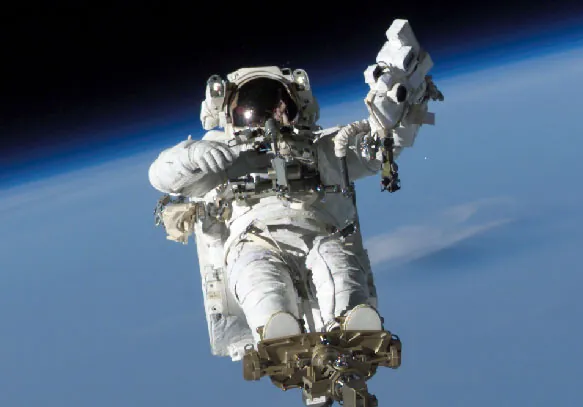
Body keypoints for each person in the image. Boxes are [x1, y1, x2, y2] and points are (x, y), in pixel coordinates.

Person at [148, 20, 438, 362]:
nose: (268, 120)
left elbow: (380, 149)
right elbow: (162, 176)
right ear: (230, 115)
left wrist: (398, 105)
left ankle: (352, 326)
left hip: (318, 232)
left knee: (338, 266)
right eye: (254, 110)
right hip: (252, 240)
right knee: (260, 281)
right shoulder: (218, 155)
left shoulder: (324, 146)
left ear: (295, 108)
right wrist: (192, 155)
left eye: (276, 107)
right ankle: (277, 335)